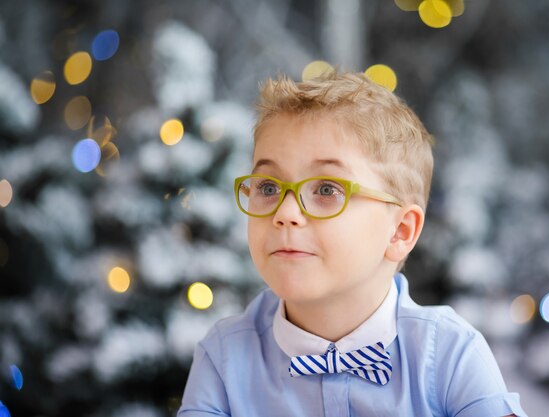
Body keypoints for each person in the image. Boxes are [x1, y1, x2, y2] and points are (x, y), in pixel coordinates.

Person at [177, 70, 528, 417]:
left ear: (400, 232)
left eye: (327, 190)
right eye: (268, 188)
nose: (285, 212)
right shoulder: (223, 358)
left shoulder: (452, 356)